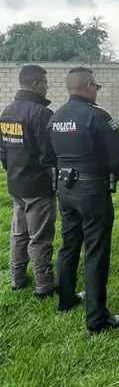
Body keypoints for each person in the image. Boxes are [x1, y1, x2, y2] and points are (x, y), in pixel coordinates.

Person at [47, 67, 119, 333]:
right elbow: (118, 155)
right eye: (96, 86)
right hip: (92, 191)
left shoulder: (55, 117)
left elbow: (49, 154)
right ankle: (97, 319)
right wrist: (114, 173)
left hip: (65, 189)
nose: (97, 91)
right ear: (87, 86)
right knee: (96, 250)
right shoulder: (98, 117)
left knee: (69, 245)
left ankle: (66, 299)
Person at [0, 65, 58, 297]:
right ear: (35, 84)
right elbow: (49, 155)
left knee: (19, 233)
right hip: (38, 186)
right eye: (45, 83)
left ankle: (18, 278)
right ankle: (44, 285)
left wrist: (14, 171)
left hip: (16, 183)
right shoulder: (42, 114)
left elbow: (3, 151)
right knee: (40, 237)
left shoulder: (7, 111)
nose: (47, 87)